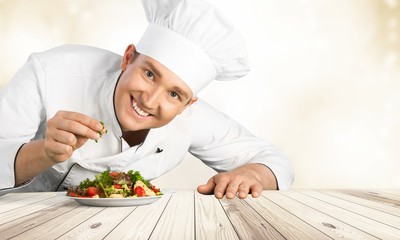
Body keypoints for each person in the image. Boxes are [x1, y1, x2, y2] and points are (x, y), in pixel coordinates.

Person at [0, 0, 294, 199]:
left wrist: (253, 174)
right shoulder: (52, 71)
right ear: (128, 58)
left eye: (174, 94)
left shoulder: (191, 118)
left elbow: (275, 162)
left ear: (187, 105)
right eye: (150, 74)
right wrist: (45, 153)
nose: (151, 100)